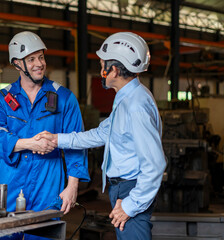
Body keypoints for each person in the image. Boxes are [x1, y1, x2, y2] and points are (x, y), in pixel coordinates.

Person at [36, 32, 167, 240]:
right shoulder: (127, 98)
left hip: (132, 190)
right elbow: (101, 134)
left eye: (102, 65)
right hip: (125, 189)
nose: (101, 70)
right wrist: (57, 139)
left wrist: (130, 205)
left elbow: (155, 164)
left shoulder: (135, 106)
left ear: (113, 69)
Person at [0, 31, 90, 230]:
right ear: (16, 63)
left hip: (48, 186)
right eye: (31, 59)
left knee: (44, 234)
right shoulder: (1, 100)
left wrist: (72, 186)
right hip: (11, 184)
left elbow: (77, 143)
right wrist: (30, 143)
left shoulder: (64, 98)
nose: (39, 63)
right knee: (7, 234)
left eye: (41, 57)